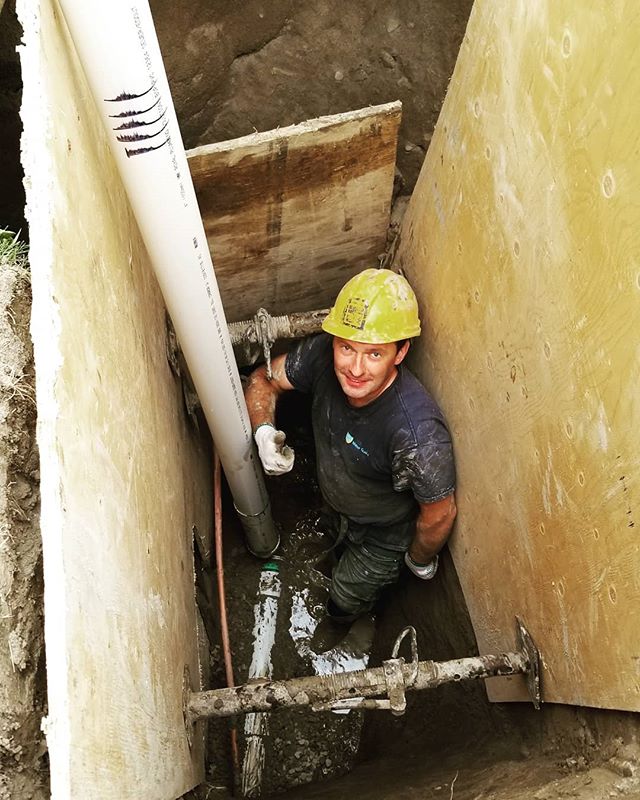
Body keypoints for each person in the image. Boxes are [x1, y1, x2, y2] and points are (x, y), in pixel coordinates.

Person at [244, 268, 456, 625]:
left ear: (400, 352)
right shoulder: (323, 357)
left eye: (374, 354)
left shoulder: (417, 436)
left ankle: (338, 624)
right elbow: (263, 379)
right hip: (340, 503)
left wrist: (417, 561)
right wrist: (264, 433)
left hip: (383, 536)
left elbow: (439, 515)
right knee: (329, 540)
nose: (355, 368)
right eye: (347, 348)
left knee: (344, 597)